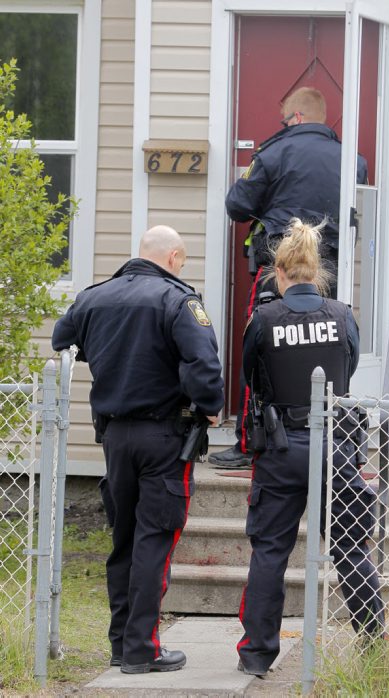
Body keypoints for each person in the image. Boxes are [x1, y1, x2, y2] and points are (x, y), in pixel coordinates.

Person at [51, 225, 224, 675]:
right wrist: (211, 408)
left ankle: (121, 644)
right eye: (181, 263)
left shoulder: (94, 297)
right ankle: (142, 649)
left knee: (124, 539)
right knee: (154, 541)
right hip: (164, 437)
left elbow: (61, 337)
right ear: (172, 258)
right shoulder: (177, 299)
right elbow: (203, 363)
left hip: (114, 438)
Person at [236, 218, 385, 677]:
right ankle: (374, 639)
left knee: (270, 552)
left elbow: (249, 374)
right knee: (350, 547)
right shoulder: (342, 316)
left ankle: (257, 656)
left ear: (278, 273)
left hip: (280, 449)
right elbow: (350, 365)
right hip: (335, 447)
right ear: (316, 272)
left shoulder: (263, 319)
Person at [209, 86, 368, 469]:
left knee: (263, 349)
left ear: (295, 118)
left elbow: (237, 205)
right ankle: (335, 438)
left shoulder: (272, 153)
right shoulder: (354, 160)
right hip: (329, 272)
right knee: (329, 348)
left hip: (278, 271)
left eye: (284, 120)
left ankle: (251, 443)